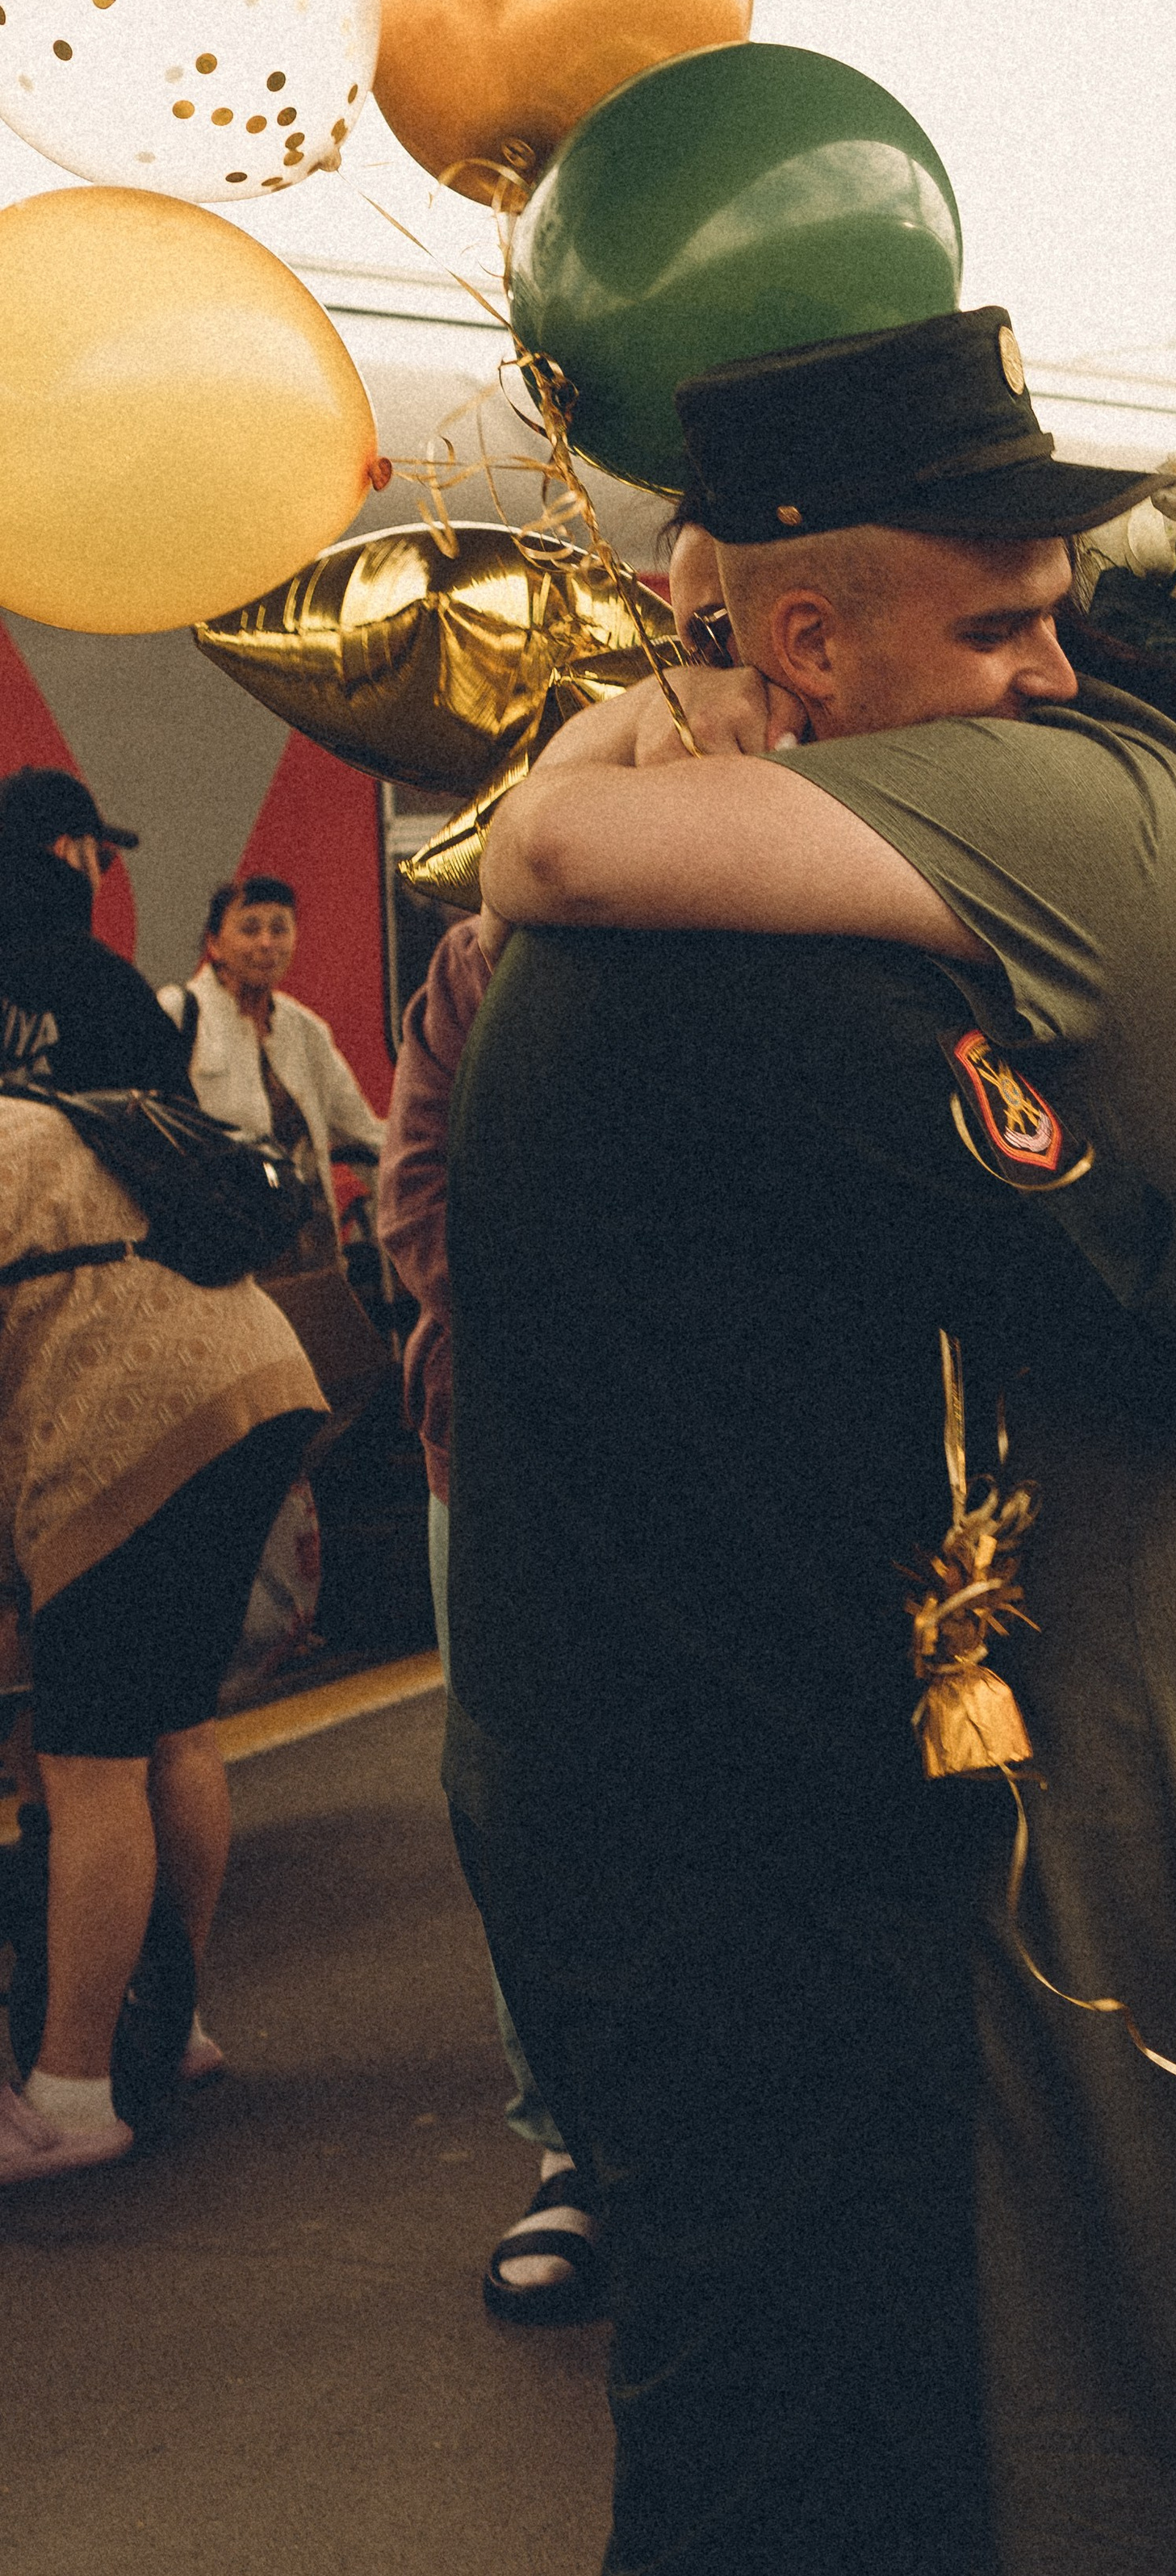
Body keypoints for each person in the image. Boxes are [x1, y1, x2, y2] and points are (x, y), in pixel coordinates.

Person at [458, 308, 1176, 2575]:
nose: (1057, 677)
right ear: (803, 635)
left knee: (768, 2405)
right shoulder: (785, 988)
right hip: (745, 1841)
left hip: (638, 1785)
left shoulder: (692, 924)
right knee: (797, 2454)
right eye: (998, 624)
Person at [0, 1094, 324, 2182]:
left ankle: (75, 2092)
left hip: (129, 1419)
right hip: (255, 1381)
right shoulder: (26, 1120)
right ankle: (165, 2023)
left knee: (87, 1762)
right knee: (175, 1728)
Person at [378, 901, 600, 2324]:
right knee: (524, 1801)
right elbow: (414, 1201)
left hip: (742, 1459)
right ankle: (573, 2142)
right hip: (508, 1448)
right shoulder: (484, 957)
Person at [161, 876, 388, 1252]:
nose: (267, 943)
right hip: (218, 1253)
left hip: (306, 1250)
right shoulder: (179, 1015)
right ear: (214, 944)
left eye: (279, 929)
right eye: (250, 929)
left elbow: (363, 1131)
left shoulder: (306, 1031)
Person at [0, 766, 193, 1095]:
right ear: (65, 851)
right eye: (102, 858)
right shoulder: (107, 987)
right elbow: (177, 1128)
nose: (101, 880)